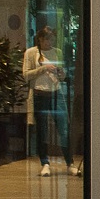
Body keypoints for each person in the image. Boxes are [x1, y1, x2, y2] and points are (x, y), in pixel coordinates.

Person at [23, 27, 70, 177]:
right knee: (42, 131)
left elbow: (62, 75)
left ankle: (70, 163)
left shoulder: (57, 52)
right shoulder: (31, 53)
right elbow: (26, 75)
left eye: (52, 40)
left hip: (56, 94)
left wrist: (61, 73)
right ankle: (45, 163)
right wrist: (43, 69)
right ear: (40, 40)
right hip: (39, 94)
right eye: (47, 39)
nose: (50, 43)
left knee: (63, 129)